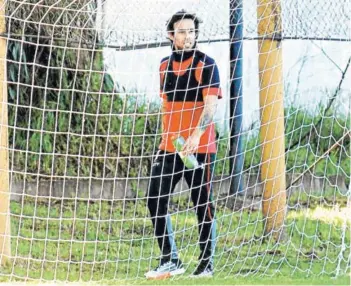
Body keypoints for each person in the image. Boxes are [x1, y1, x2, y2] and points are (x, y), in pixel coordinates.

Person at [145, 9, 222, 279]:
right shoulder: (164, 66)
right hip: (170, 148)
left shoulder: (207, 65)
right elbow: (167, 107)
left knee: (202, 203)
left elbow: (210, 108)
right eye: (182, 31)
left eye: (192, 31)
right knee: (155, 199)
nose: (188, 36)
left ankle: (206, 264)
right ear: (171, 35)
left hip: (200, 149)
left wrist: (196, 135)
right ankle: (170, 259)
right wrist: (169, 138)